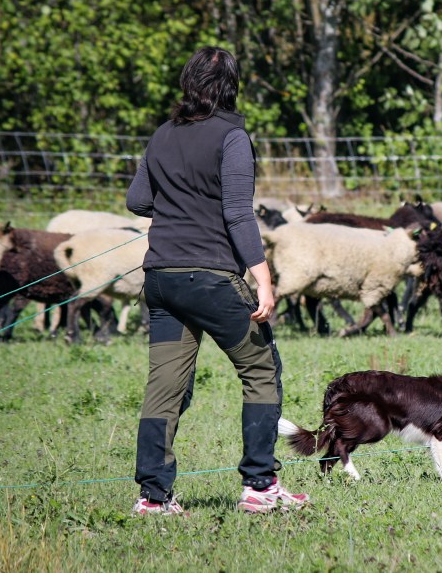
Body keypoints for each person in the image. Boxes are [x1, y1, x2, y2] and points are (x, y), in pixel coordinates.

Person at [126, 46, 308, 515]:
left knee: (164, 388)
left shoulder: (162, 135)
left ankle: (153, 497)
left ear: (188, 83)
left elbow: (137, 200)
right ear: (231, 86)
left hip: (161, 281)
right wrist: (263, 279)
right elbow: (237, 214)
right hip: (209, 278)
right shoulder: (233, 137)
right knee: (262, 370)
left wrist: (180, 205)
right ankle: (260, 487)